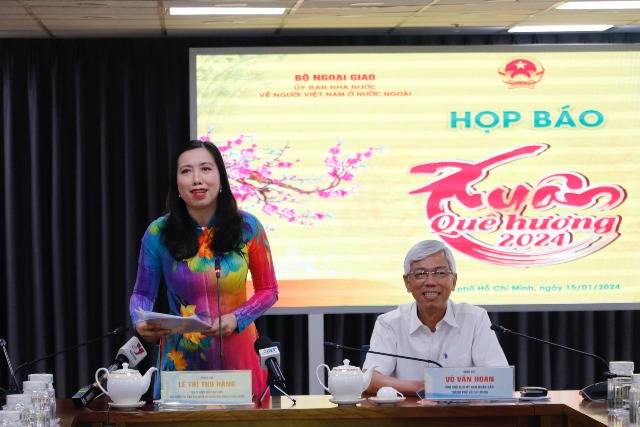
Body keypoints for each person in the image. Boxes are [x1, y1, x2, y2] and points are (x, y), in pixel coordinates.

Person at [129, 139, 279, 399]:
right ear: (176, 183)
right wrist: (138, 320)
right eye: (186, 171)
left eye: (206, 169)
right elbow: (142, 294)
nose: (197, 179)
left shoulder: (248, 227)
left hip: (239, 354)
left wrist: (238, 318)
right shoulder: (158, 233)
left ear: (221, 179)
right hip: (181, 361)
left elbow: (269, 290)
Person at [363, 240, 507, 396]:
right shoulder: (389, 323)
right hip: (407, 411)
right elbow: (369, 380)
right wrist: (422, 387)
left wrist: (441, 387)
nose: (430, 282)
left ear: (454, 281)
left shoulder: (475, 319)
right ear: (407, 282)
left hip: (460, 411)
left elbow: (499, 378)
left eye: (439, 273)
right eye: (421, 274)